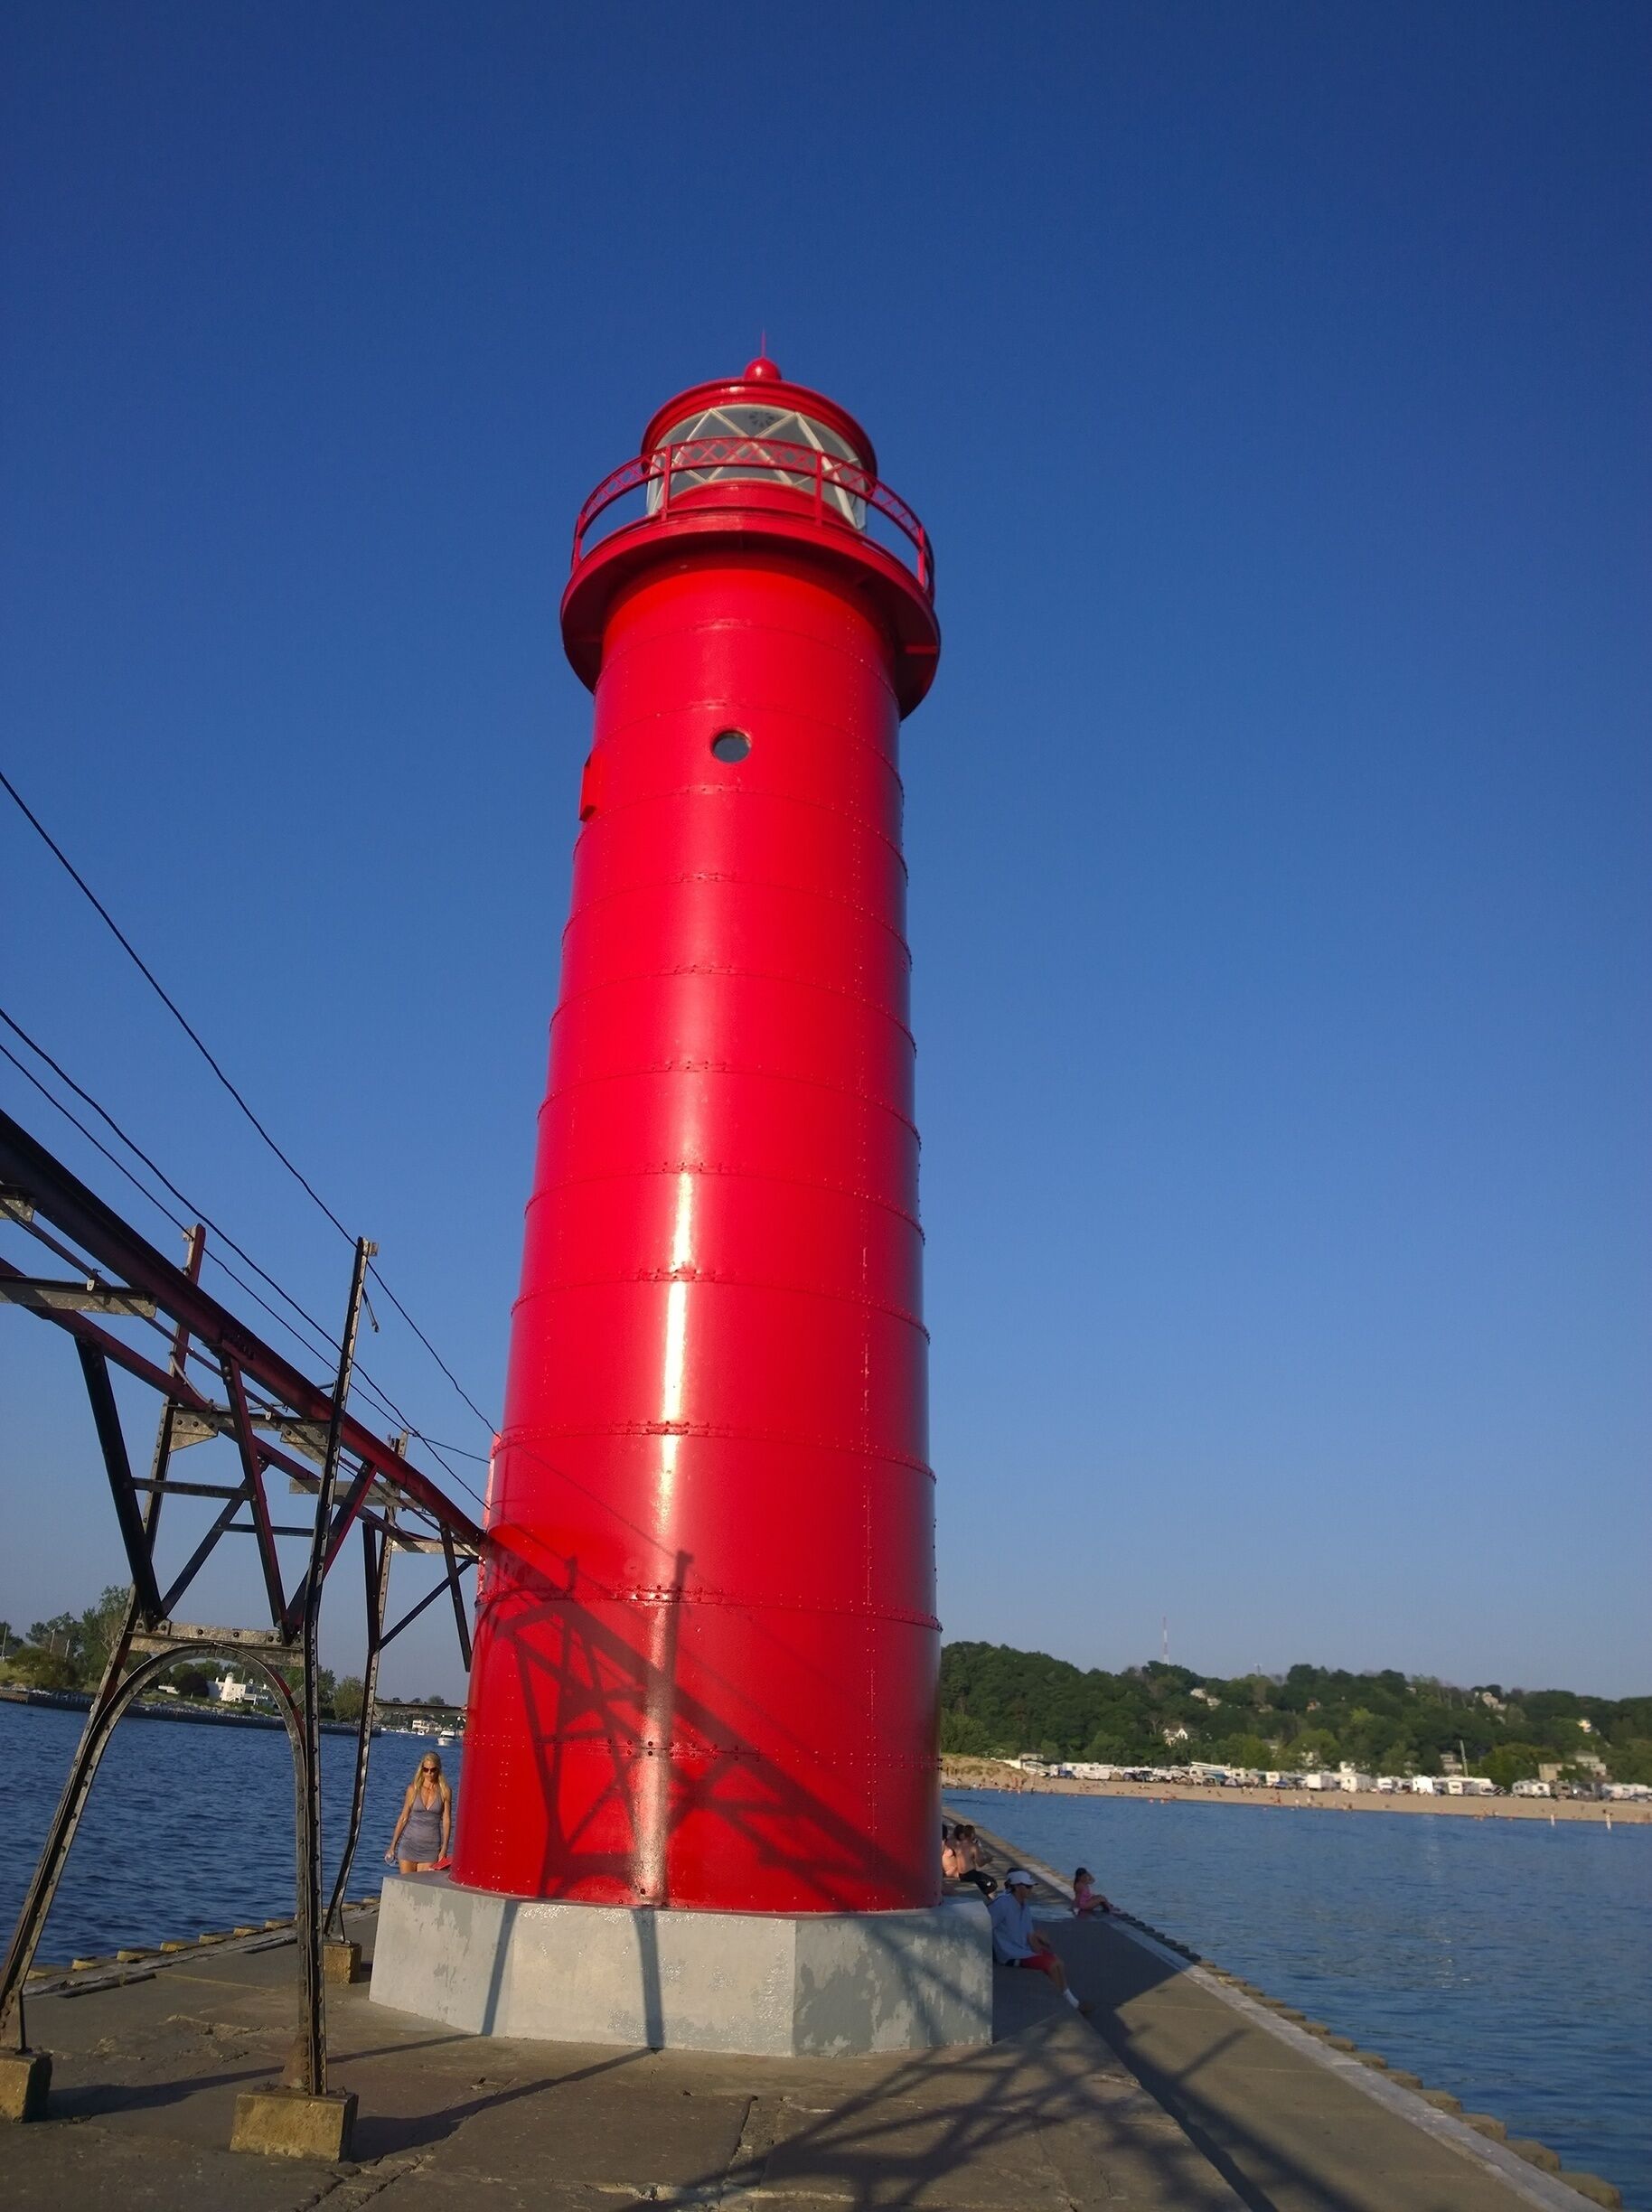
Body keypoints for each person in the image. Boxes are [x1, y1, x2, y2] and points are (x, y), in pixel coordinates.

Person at [989, 1869, 1091, 2012]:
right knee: (1051, 1965)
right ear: (1017, 1887)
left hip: (1024, 1950)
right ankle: (1063, 2007)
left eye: (1032, 1886)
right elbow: (985, 1925)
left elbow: (1030, 1935)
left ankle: (1072, 2002)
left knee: (1058, 1962)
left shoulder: (1025, 1905)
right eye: (1028, 1886)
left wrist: (1042, 1949)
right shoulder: (1002, 1904)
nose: (1031, 1890)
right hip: (1010, 1955)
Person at [386, 1750, 451, 1872]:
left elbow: (446, 1821)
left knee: (422, 1888)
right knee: (406, 1887)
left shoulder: (444, 1791)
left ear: (438, 1770)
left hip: (430, 1848)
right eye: (426, 1770)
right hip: (408, 1846)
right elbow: (403, 1818)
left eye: (433, 1770)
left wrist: (444, 1848)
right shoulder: (413, 1789)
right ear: (422, 1769)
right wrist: (392, 1846)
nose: (429, 1773)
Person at [942, 1824, 997, 1898]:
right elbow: (980, 1863)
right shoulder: (973, 1846)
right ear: (972, 1834)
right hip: (970, 1874)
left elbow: (951, 1837)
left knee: (982, 1883)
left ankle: (986, 1896)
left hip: (961, 1875)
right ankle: (992, 1901)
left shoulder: (956, 1843)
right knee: (993, 1882)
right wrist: (988, 1859)